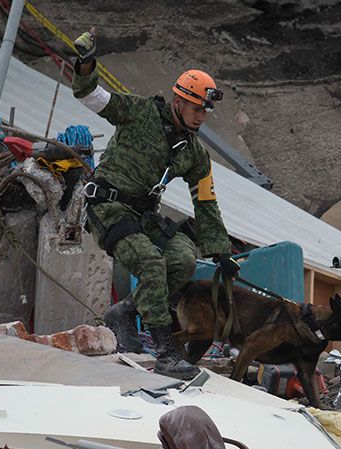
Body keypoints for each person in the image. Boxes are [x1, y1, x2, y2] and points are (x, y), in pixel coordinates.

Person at [72, 28, 240, 380]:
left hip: (144, 215)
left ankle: (124, 313)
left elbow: (206, 201)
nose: (200, 118)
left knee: (183, 259)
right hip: (108, 208)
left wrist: (221, 251)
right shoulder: (139, 112)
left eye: (205, 112)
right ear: (179, 101)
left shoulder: (195, 153)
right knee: (150, 262)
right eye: (196, 109)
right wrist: (86, 64)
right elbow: (92, 96)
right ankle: (166, 356)